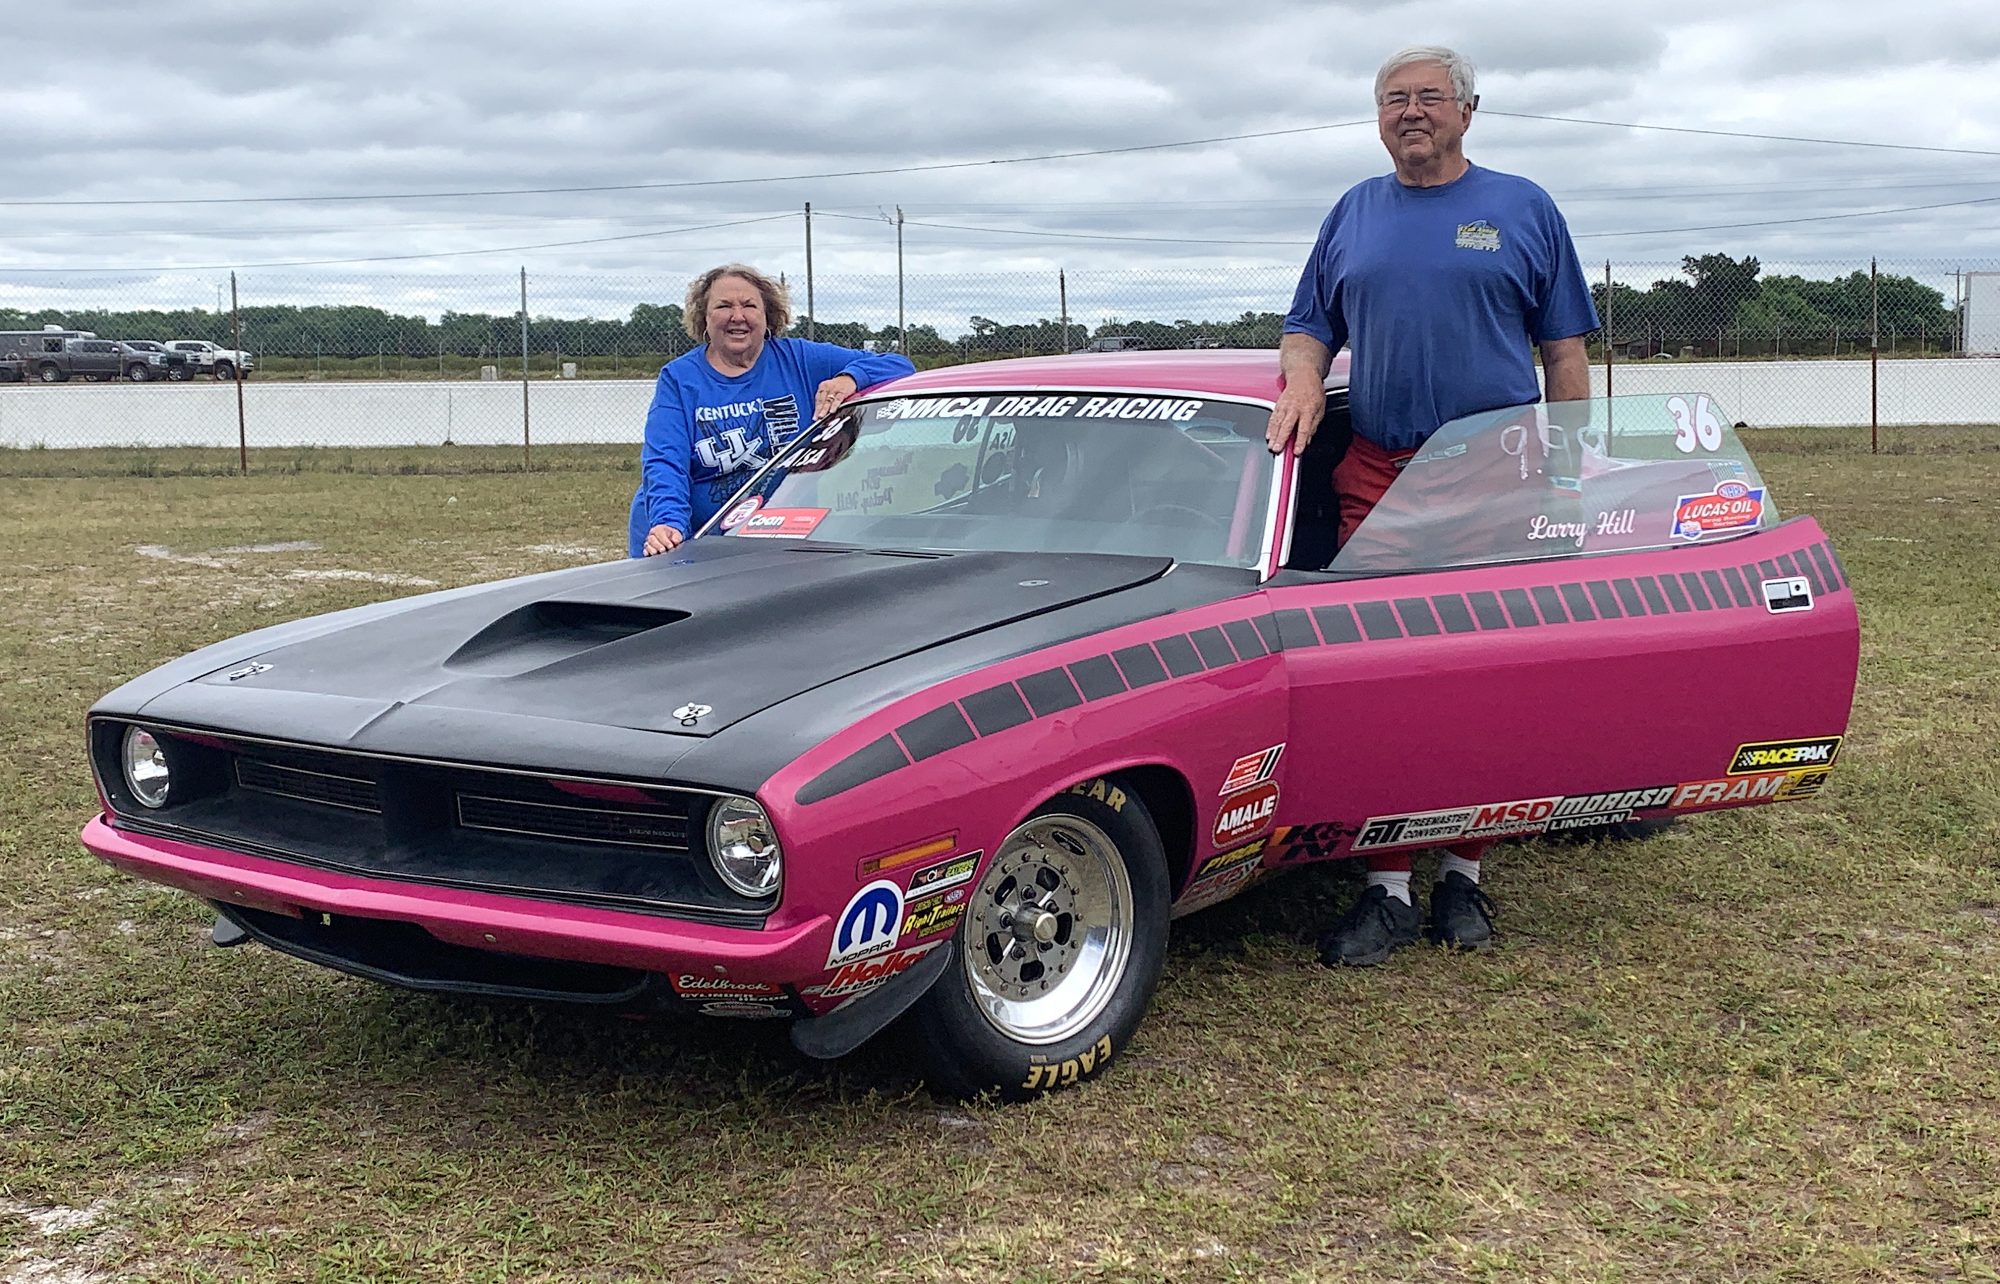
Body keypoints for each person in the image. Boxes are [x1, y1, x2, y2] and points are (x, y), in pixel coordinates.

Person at [1263, 45, 1600, 968]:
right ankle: (1385, 888)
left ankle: (1465, 875)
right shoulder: (1353, 213)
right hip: (1377, 470)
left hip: (1497, 470)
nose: (1411, 112)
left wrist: (1569, 469)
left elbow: (1565, 357)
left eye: (1428, 98)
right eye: (1393, 100)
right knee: (1385, 680)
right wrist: (1300, 382)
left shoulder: (1524, 207)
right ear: (1377, 118)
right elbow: (1308, 326)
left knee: (1484, 674)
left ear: (1468, 110)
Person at [627, 264, 914, 557]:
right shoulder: (679, 379)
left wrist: (849, 378)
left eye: (749, 306)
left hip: (776, 534)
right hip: (691, 537)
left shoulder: (799, 358)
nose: (737, 317)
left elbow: (898, 365)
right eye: (724, 306)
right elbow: (665, 462)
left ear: (768, 316)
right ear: (704, 317)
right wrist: (669, 524)